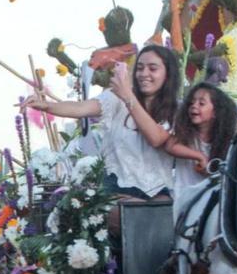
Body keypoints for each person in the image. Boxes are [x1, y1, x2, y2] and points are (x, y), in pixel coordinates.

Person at [23, 45, 199, 200]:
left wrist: (128, 96)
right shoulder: (116, 98)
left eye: (153, 68)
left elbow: (156, 138)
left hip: (158, 197)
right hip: (117, 192)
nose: (144, 74)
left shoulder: (178, 110)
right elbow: (80, 108)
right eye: (139, 68)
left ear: (167, 73)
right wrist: (46, 105)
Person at [171, 82, 237, 199]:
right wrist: (199, 156)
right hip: (182, 200)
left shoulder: (228, 141)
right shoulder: (186, 135)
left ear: (216, 112)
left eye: (201, 103)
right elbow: (170, 145)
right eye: (192, 103)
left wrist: (211, 171)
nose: (194, 106)